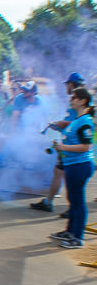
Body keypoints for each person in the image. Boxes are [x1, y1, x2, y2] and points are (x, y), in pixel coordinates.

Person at [30, 73, 84, 213]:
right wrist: (58, 125)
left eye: (67, 83)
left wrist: (61, 124)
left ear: (72, 84)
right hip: (67, 144)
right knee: (58, 172)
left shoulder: (81, 101)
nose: (65, 86)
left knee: (69, 177)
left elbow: (80, 122)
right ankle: (49, 202)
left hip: (74, 146)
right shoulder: (75, 99)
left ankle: (73, 208)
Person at [47, 87, 93, 249]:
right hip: (73, 165)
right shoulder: (77, 120)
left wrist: (63, 148)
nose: (70, 99)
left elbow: (86, 146)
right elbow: (71, 136)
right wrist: (58, 128)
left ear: (82, 101)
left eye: (74, 97)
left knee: (78, 201)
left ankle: (77, 237)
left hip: (80, 165)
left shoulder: (85, 122)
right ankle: (70, 231)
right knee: (73, 200)